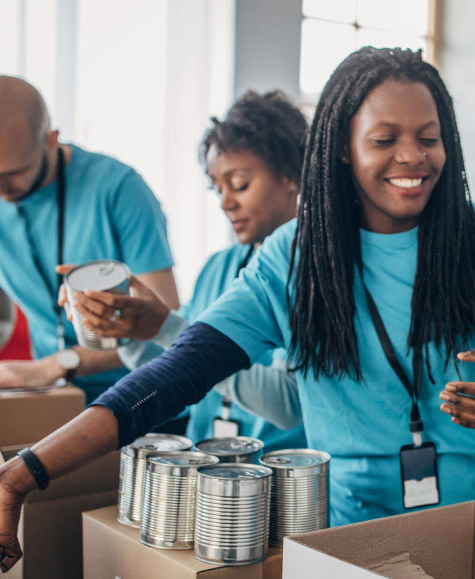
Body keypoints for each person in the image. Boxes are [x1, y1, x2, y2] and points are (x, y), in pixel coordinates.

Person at [0, 48, 475, 567]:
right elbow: (171, 374)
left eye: (429, 137)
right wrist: (26, 471)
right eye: (384, 139)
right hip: (361, 535)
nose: (412, 157)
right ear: (341, 147)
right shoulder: (296, 256)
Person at [64, 90, 308, 450]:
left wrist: (166, 326)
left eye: (240, 184)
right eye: (217, 188)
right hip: (205, 473)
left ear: (291, 175)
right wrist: (128, 331)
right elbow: (173, 369)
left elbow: (286, 405)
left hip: (277, 481)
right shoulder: (217, 268)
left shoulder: (312, 275)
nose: (226, 202)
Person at [0, 76, 178, 401]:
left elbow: (163, 320)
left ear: (51, 140)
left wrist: (61, 363)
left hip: (143, 394)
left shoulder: (119, 188)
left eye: (11, 174)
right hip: (53, 398)